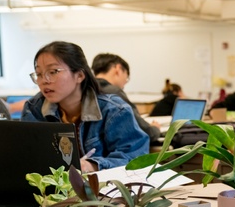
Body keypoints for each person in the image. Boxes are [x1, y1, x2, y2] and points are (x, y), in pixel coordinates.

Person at [21, 41, 148, 172]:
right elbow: (27, 158)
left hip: (102, 188)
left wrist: (92, 165)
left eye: (53, 72)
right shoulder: (34, 109)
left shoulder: (114, 110)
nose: (44, 81)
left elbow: (135, 157)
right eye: (39, 74)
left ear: (80, 75)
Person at [92, 53, 161, 144]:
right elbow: (145, 132)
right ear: (118, 69)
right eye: (126, 77)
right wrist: (155, 128)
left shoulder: (86, 89)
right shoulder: (114, 93)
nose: (125, 83)